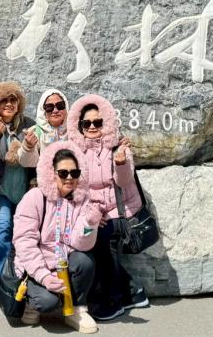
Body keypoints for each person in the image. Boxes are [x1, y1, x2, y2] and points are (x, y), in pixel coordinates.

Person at [67, 94, 147, 321]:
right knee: (88, 235)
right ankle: (133, 291)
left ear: (106, 123)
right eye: (87, 123)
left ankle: (114, 300)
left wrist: (120, 162)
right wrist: (89, 212)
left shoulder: (117, 146)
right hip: (92, 211)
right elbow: (76, 187)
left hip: (118, 211)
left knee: (102, 238)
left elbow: (124, 181)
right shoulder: (75, 151)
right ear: (80, 126)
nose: (92, 127)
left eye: (97, 122)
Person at [12, 143, 105, 334]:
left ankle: (76, 310)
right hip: (36, 265)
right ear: (52, 174)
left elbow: (81, 244)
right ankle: (31, 302)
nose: (69, 177)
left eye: (74, 173)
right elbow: (24, 242)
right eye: (63, 173)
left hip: (64, 262)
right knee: (47, 302)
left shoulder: (82, 199)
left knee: (85, 260)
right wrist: (44, 276)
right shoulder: (35, 197)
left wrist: (90, 224)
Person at [0, 82, 38, 305]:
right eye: (4, 100)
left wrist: (34, 180)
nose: (9, 104)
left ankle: (23, 284)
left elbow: (36, 159)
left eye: (13, 100)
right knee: (2, 229)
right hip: (0, 191)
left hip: (23, 190)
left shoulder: (29, 125)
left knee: (26, 236)